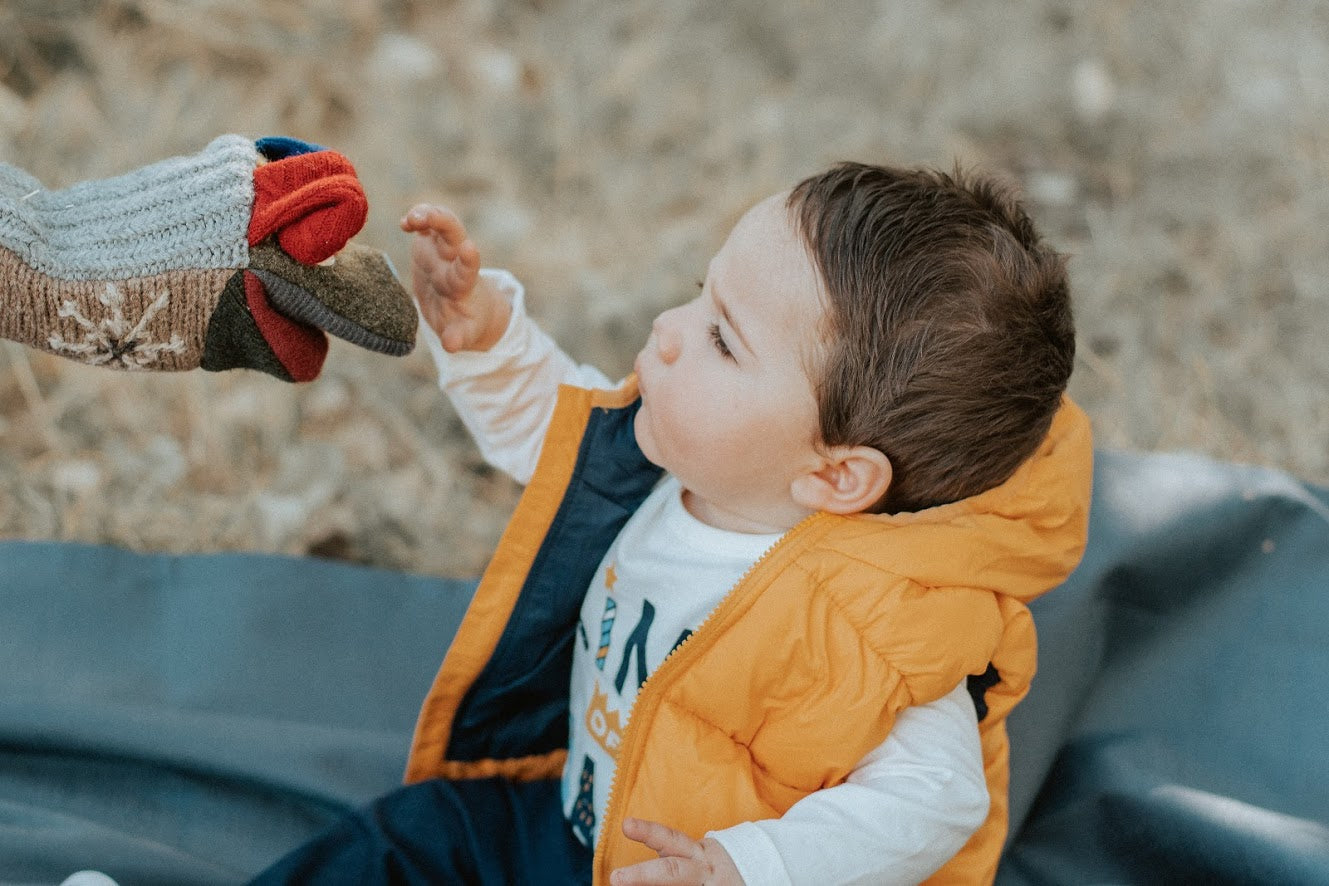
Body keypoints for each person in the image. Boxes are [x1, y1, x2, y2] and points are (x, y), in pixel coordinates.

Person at [251, 162, 1093, 885]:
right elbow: (553, 427)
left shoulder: (875, 624)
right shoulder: (680, 460)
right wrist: (487, 339)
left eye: (722, 340)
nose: (666, 329)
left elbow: (934, 796)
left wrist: (748, 867)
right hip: (574, 823)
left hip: (676, 871)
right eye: (700, 296)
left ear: (834, 474)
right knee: (408, 838)